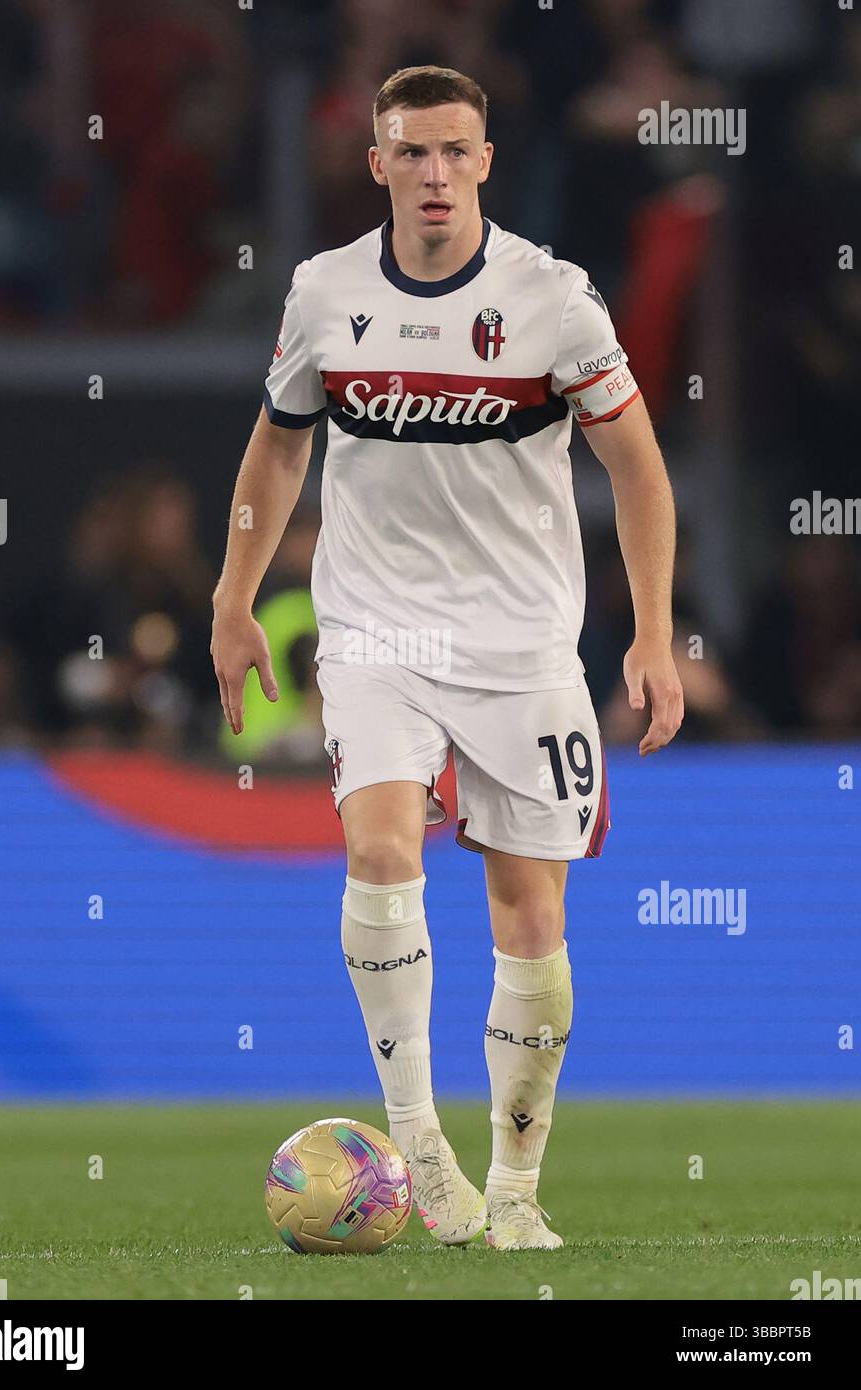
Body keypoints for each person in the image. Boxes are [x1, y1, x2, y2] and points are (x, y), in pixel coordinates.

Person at [211, 65, 683, 1251]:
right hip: (375, 629)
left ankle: (515, 1189)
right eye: (410, 153)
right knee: (377, 844)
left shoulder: (554, 303)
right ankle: (416, 1137)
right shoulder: (324, 294)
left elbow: (638, 469)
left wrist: (650, 631)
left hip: (522, 644)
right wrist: (231, 600)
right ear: (375, 165)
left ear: (485, 162)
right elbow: (276, 452)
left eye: (454, 152)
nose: (433, 174)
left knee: (529, 919)